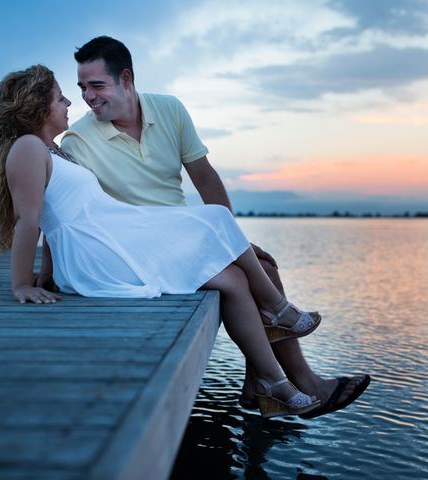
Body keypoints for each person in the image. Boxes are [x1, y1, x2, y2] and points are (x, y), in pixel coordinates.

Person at [0, 64, 326, 419]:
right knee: (217, 218)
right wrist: (21, 283)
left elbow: (56, 218)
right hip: (99, 252)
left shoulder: (51, 149)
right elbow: (30, 218)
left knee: (233, 278)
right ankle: (278, 310)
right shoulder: (26, 148)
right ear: (38, 107)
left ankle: (272, 382)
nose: (69, 102)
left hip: (113, 235)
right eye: (59, 97)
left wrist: (48, 270)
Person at [60, 36, 370, 417]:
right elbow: (73, 211)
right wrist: (46, 266)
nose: (88, 97)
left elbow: (205, 179)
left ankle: (265, 382)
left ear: (126, 79)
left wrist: (231, 239)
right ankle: (293, 381)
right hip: (143, 247)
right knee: (248, 278)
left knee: (265, 266)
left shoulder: (169, 110)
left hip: (190, 232)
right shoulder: (77, 141)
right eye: (81, 88)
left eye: (96, 86)